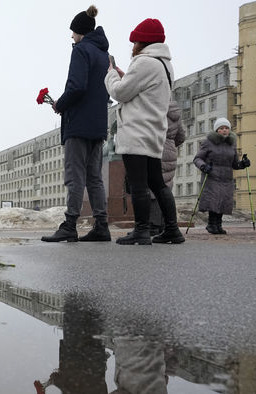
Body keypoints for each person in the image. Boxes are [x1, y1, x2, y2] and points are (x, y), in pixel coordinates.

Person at [104, 19, 184, 245]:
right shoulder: (164, 64)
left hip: (137, 132)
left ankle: (141, 231)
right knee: (157, 183)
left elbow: (120, 92)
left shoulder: (144, 63)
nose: (133, 46)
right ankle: (172, 230)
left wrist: (111, 73)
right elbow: (141, 89)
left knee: (138, 184)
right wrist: (124, 74)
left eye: (135, 41)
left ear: (143, 42)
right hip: (153, 132)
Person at [42, 6, 111, 243]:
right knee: (94, 177)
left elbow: (77, 86)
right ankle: (102, 225)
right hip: (99, 123)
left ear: (80, 32)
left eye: (73, 32)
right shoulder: (105, 55)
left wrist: (60, 104)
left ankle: (70, 224)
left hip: (78, 123)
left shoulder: (81, 51)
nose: (71, 37)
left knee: (75, 176)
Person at [193, 118, 250, 234]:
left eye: (226, 128)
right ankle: (211, 224)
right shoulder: (208, 142)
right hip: (212, 176)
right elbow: (197, 159)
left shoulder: (232, 144)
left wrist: (243, 164)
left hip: (226, 178)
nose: (224, 130)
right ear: (217, 130)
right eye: (221, 128)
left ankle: (218, 225)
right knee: (214, 200)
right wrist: (203, 166)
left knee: (223, 201)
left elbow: (234, 164)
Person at [149, 100, 185, 235]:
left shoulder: (152, 104)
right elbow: (181, 136)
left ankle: (153, 224)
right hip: (170, 150)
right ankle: (164, 224)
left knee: (152, 187)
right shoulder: (174, 110)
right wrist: (170, 144)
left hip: (154, 146)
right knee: (165, 186)